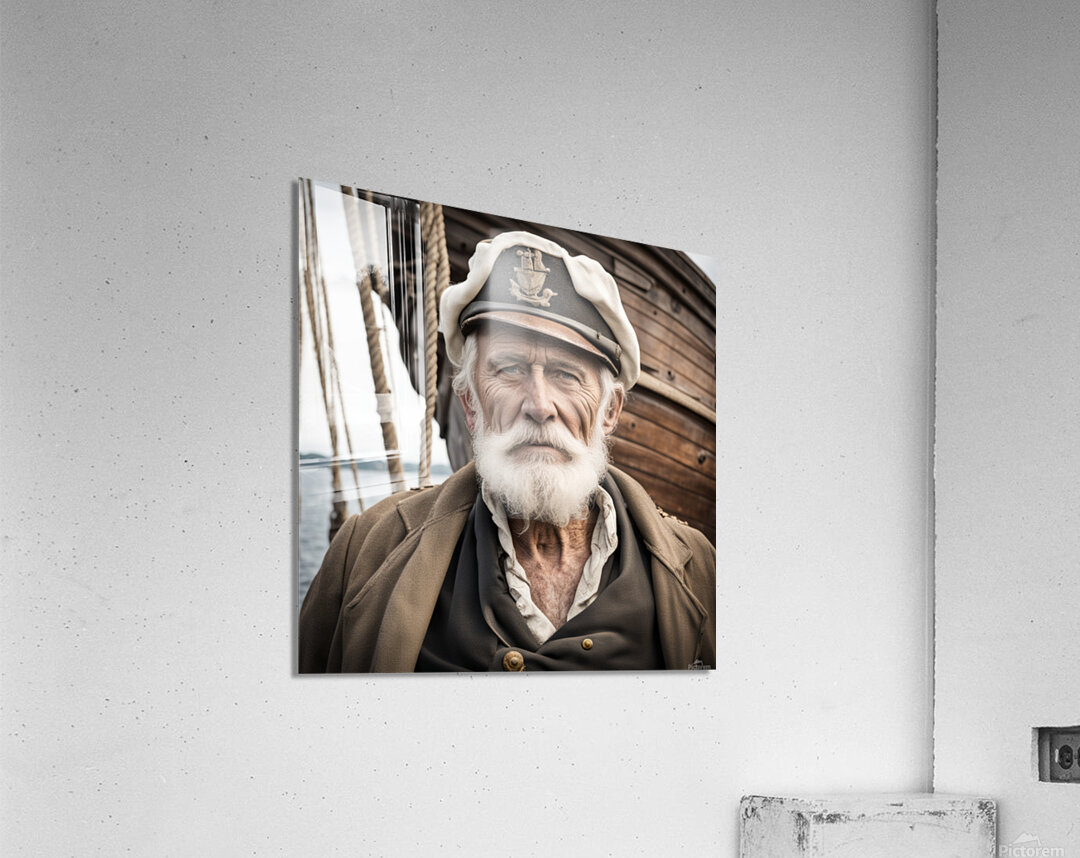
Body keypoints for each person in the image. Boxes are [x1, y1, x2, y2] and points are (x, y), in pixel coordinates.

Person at [299, 231, 715, 672]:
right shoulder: (365, 553)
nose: (539, 405)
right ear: (471, 406)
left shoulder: (699, 568)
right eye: (510, 369)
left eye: (566, 374)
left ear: (610, 410)